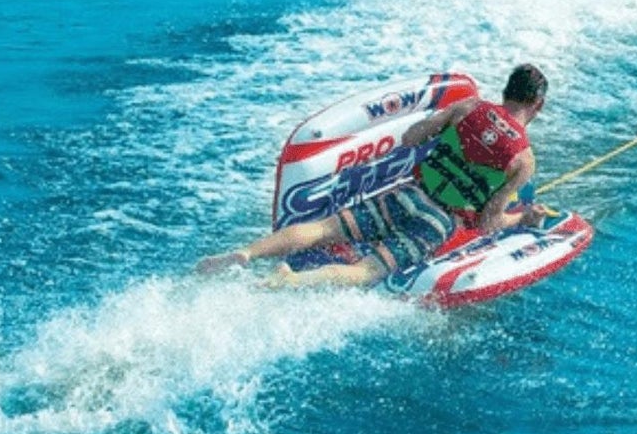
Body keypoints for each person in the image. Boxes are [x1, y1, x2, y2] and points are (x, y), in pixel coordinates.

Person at [195, 64, 549, 287]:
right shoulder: (523, 160)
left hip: (407, 194)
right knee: (366, 271)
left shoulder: (469, 108)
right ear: (538, 105)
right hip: (437, 222)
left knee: (324, 228)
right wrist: (524, 217)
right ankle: (288, 281)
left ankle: (246, 253)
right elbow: (488, 222)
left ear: (506, 90)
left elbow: (412, 137)